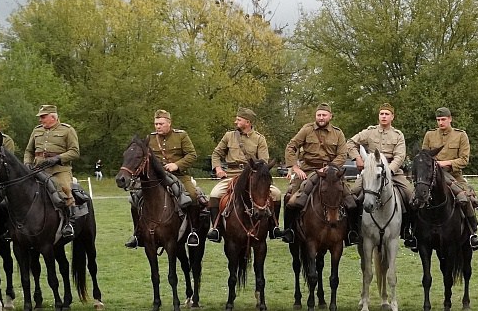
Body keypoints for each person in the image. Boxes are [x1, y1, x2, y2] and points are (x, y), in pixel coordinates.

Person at [126, 109, 205, 249]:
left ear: (169, 123)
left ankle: (193, 232)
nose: (157, 126)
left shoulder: (181, 136)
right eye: (156, 124)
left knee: (192, 196)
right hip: (156, 178)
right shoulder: (150, 138)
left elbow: (192, 155)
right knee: (134, 199)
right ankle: (138, 233)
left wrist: (176, 165)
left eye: (161, 123)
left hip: (179, 175)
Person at [346, 102, 417, 249]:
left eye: (387, 114)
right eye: (381, 114)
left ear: (392, 117)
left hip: (393, 172)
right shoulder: (369, 132)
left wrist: (389, 170)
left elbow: (400, 155)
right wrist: (357, 159)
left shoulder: (398, 135)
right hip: (372, 172)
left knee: (411, 196)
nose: (384, 116)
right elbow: (350, 143)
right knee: (351, 195)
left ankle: (408, 231)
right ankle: (353, 230)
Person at [206, 108, 283, 243]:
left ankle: (274, 226)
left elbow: (263, 161)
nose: (236, 121)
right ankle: (216, 228)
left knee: (276, 194)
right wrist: (218, 168)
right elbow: (216, 153)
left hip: (253, 176)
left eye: (239, 119)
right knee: (214, 193)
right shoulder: (229, 136)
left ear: (248, 122)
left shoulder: (259, 139)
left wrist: (256, 173)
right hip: (232, 174)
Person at [282, 102, 352, 243]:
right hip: (307, 171)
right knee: (291, 198)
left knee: (351, 199)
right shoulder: (306, 130)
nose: (321, 117)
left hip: (331, 172)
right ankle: (289, 230)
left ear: (330, 116)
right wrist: (295, 167)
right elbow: (291, 146)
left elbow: (342, 155)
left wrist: (329, 168)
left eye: (324, 115)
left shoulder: (338, 133)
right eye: (318, 115)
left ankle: (351, 232)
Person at [421, 107, 478, 251]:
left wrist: (446, 163)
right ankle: (415, 233)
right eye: (438, 120)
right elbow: (424, 156)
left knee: (465, 198)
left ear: (450, 119)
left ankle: (472, 232)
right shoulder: (430, 135)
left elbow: (464, 160)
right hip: (433, 177)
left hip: (454, 176)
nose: (441, 122)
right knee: (417, 197)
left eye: (443, 119)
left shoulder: (461, 135)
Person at [24, 104, 80, 239]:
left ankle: (68, 224)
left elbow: (75, 152)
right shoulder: (36, 131)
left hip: (59, 170)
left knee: (65, 189)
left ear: (53, 117)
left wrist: (58, 158)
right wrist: (27, 163)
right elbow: (29, 151)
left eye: (43, 117)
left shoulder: (67, 130)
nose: (40, 120)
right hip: (37, 169)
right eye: (40, 117)